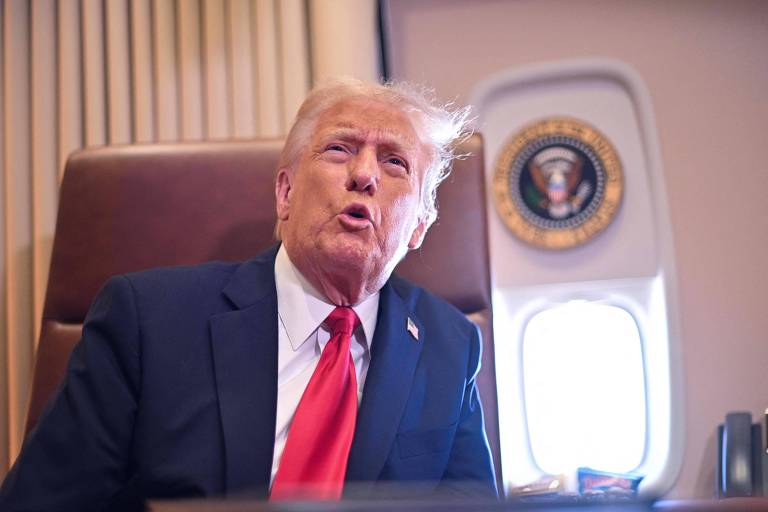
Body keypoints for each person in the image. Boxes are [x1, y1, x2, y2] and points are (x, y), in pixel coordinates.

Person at [0, 78, 497, 510]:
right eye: (340, 149)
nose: (364, 175)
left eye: (395, 163)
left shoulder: (447, 344)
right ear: (285, 194)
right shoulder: (147, 321)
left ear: (419, 227)